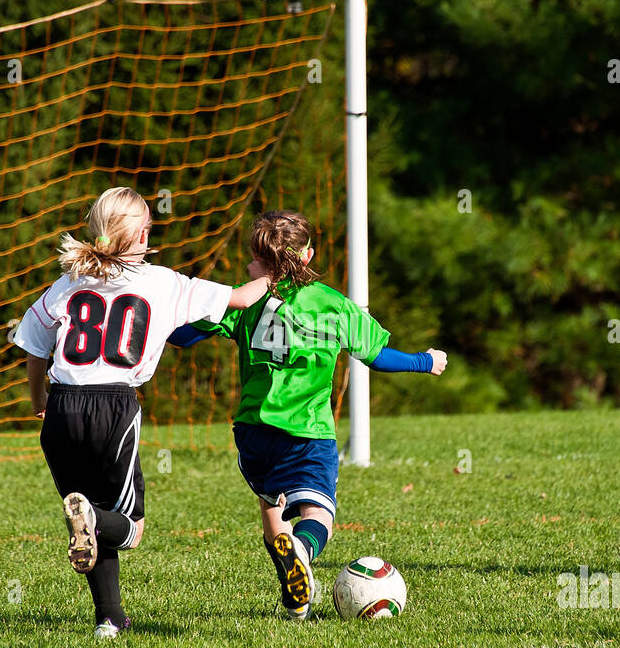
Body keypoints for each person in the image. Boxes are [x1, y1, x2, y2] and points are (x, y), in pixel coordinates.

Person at [13, 187, 271, 639]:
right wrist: (281, 272)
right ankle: (94, 532)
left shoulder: (68, 282)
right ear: (138, 233)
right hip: (113, 405)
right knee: (128, 527)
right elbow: (241, 299)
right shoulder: (161, 281)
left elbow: (33, 346)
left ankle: (108, 620)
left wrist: (39, 400)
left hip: (62, 407)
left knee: (89, 514)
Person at [168, 209, 448, 620]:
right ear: (309, 255)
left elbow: (183, 336)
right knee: (317, 514)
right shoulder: (333, 305)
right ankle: (303, 550)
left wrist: (159, 310)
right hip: (307, 430)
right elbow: (376, 356)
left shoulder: (243, 298)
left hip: (252, 430)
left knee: (272, 506)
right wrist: (424, 361)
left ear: (260, 260)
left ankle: (296, 599)